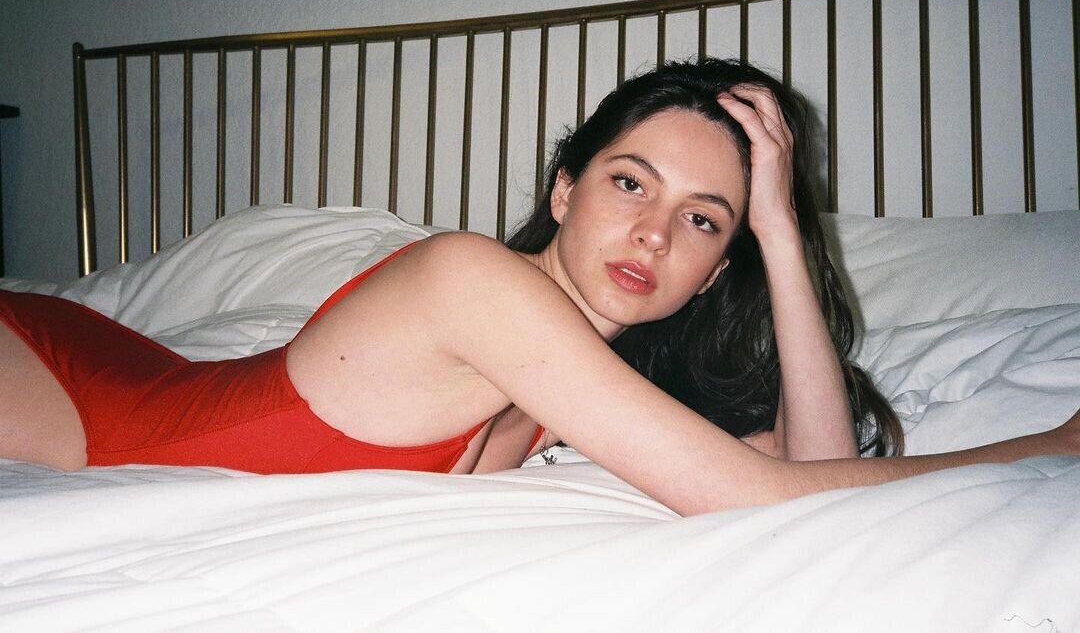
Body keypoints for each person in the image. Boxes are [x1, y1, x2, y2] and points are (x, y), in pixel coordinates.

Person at [0, 58, 1076, 517]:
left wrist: (783, 231)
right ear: (563, 189)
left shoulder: (594, 370)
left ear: (718, 269)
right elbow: (744, 495)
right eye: (629, 182)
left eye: (704, 220)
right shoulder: (473, 280)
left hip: (147, 380)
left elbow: (810, 471)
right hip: (66, 388)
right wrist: (1042, 447)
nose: (654, 233)